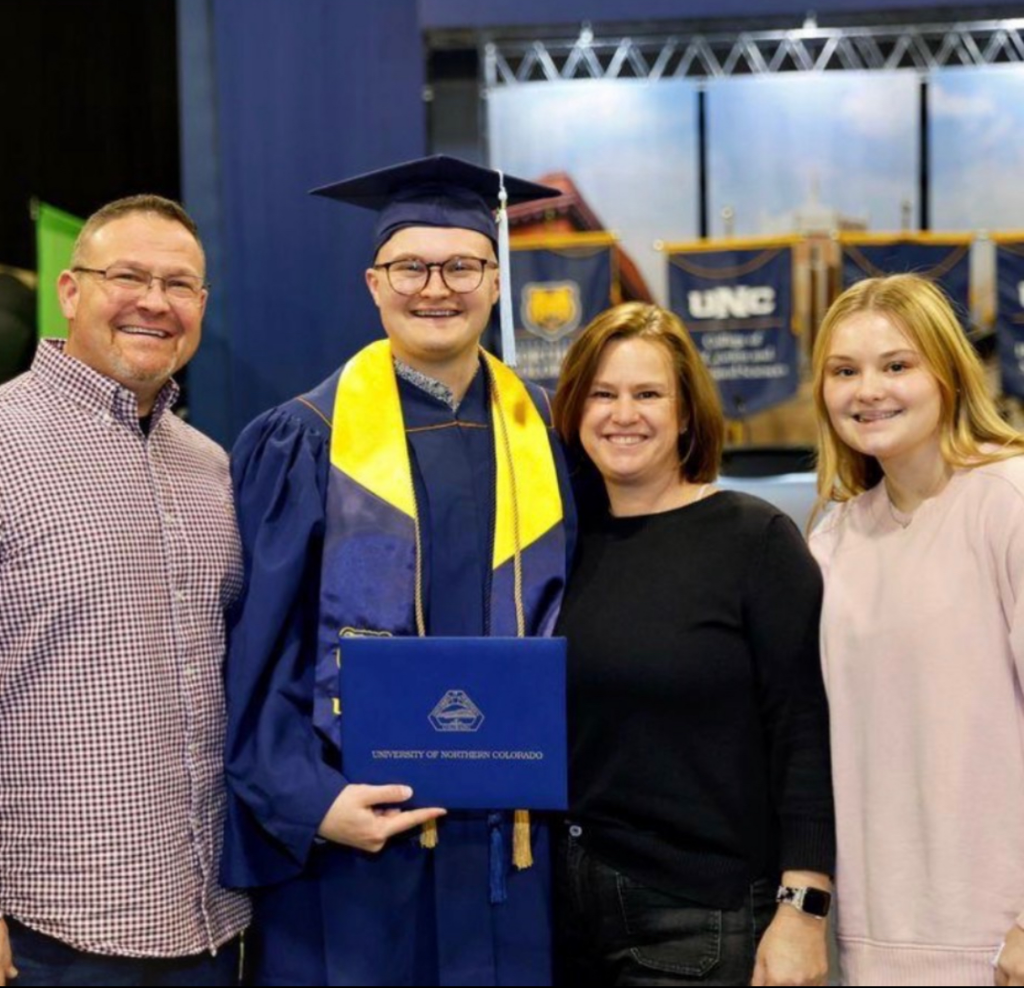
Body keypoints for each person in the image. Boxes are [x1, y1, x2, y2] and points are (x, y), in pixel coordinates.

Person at [223, 155, 574, 986]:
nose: (436, 288)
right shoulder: (305, 436)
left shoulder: (544, 436)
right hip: (352, 851)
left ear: (495, 282)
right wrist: (313, 803)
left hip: (502, 851)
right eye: (411, 266)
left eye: (462, 266)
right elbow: (256, 658)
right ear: (373, 284)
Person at [0, 194, 249, 987]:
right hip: (52, 930)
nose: (154, 301)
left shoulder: (210, 465)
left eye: (178, 284)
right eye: (128, 276)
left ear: (201, 307)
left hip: (211, 916)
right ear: (70, 290)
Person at [552, 302, 835, 987]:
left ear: (686, 413)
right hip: (560, 913)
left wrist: (804, 909)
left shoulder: (752, 539)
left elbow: (803, 730)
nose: (625, 413)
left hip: (697, 914)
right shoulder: (556, 544)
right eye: (603, 393)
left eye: (649, 394)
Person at [809, 273, 1024, 986]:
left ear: (948, 373)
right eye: (845, 371)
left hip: (1001, 943)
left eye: (896, 365)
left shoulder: (1008, 502)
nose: (868, 389)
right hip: (875, 940)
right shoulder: (833, 536)